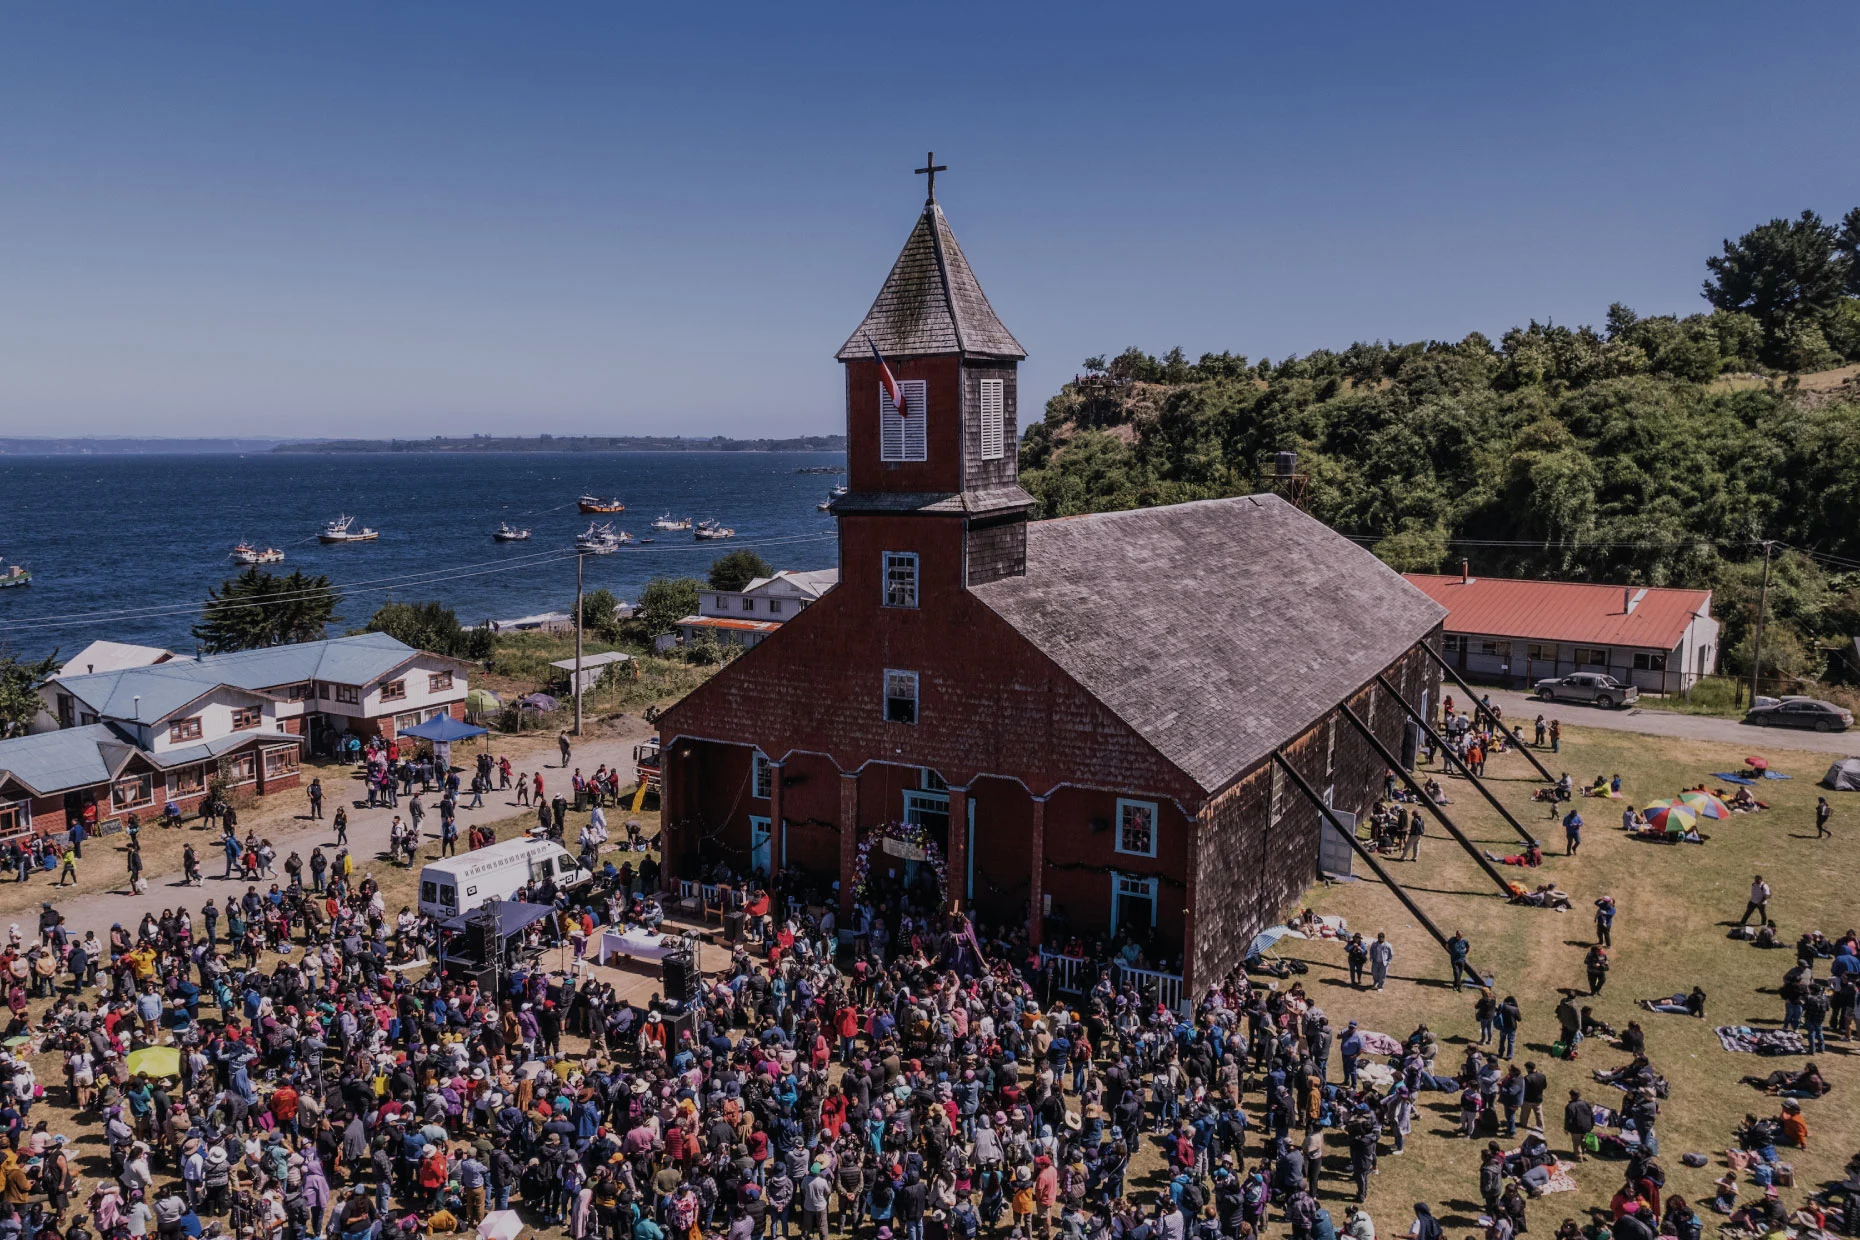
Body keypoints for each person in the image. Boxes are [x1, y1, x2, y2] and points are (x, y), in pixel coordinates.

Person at [1563, 1089, 1595, 1162]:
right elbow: (1592, 1116)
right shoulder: (1587, 1104)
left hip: (1576, 1128)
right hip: (1587, 1127)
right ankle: (1582, 1153)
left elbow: (1569, 1119)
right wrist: (1591, 1125)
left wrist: (1566, 1128)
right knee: (1583, 1141)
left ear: (1571, 1096)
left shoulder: (1570, 1106)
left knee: (1576, 1143)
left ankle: (1578, 1158)